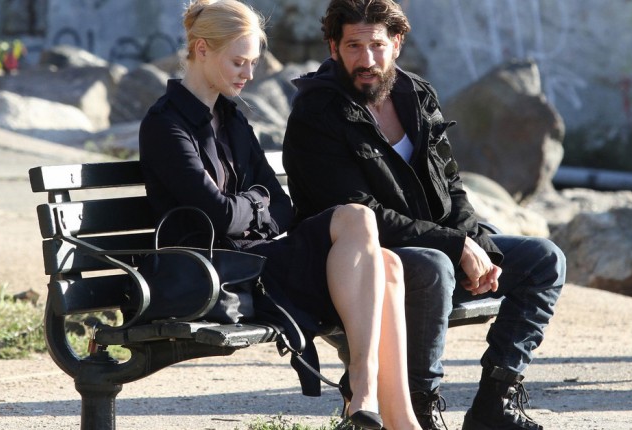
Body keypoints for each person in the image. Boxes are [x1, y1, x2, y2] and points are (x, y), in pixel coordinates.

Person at [281, 1, 567, 429]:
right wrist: (456, 245)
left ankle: (495, 403)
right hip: (361, 263)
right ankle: (418, 407)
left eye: (377, 45)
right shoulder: (317, 114)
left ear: (396, 43)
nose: (367, 59)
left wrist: (480, 247)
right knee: (433, 266)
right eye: (354, 46)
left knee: (544, 259)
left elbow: (451, 184)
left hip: (431, 246)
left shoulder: (415, 95)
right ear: (333, 48)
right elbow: (362, 213)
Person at [139, 1, 423, 428]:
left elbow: (283, 209)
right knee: (360, 223)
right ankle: (363, 388)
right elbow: (218, 216)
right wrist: (256, 203)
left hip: (259, 262)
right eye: (239, 62)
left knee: (388, 263)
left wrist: (250, 205)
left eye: (252, 63)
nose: (249, 74)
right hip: (218, 274)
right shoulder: (166, 125)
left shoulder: (232, 118)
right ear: (201, 49)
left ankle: (397, 417)